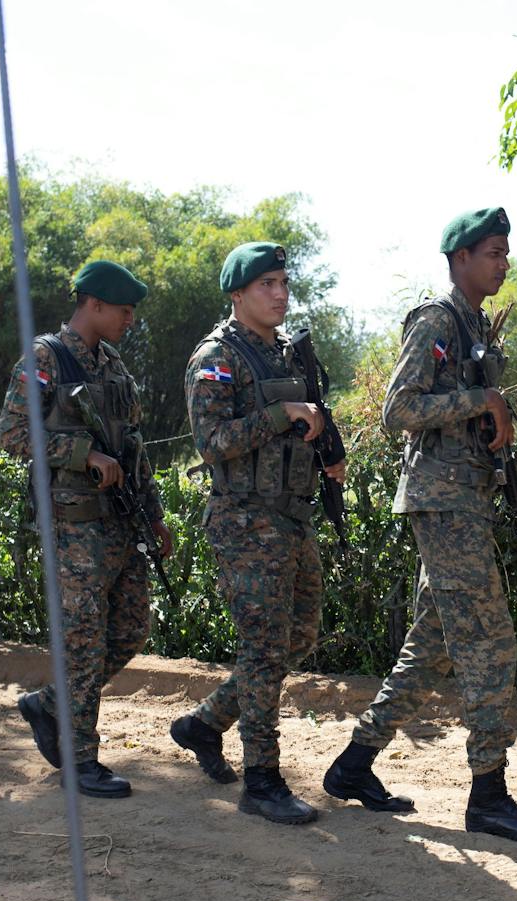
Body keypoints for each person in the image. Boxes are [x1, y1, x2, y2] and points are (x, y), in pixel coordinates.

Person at [319, 207, 517, 843]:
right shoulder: (437, 320)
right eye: (493, 252)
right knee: (490, 640)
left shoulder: (477, 326)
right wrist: (483, 400)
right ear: (459, 259)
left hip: (464, 499)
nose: (504, 263)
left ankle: (353, 765)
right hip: (442, 501)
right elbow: (398, 408)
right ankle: (488, 795)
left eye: (507, 252)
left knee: (429, 647)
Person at [172, 241, 338, 825]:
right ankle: (262, 781)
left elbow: (307, 420)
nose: (280, 294)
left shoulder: (289, 353)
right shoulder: (218, 357)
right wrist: (279, 416)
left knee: (298, 637)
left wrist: (325, 452)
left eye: (283, 283)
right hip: (245, 519)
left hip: (291, 516)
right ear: (237, 294)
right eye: (266, 284)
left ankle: (203, 723)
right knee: (265, 648)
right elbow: (211, 441)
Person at [0, 259, 169, 799]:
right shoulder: (46, 357)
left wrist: (155, 514)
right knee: (83, 644)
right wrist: (80, 452)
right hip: (72, 528)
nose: (130, 320)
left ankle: (48, 704)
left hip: (120, 524)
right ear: (93, 304)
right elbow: (11, 434)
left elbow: (134, 446)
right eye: (124, 310)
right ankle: (79, 759)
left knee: (131, 630)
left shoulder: (115, 367)